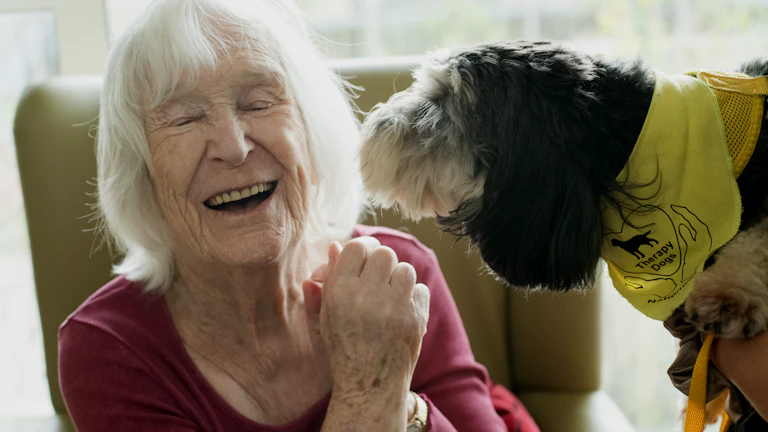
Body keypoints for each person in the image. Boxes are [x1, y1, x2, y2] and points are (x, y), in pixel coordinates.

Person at [57, 0, 538, 431]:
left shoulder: (398, 274)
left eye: (259, 102)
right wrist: (370, 394)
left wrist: (402, 402)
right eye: (185, 118)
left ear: (312, 128)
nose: (234, 146)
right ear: (141, 170)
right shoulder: (108, 349)